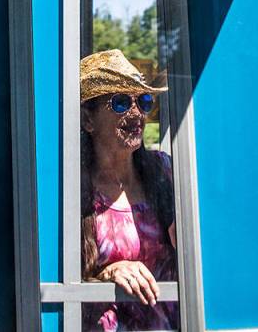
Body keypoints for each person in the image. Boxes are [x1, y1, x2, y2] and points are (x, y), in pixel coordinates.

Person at [79, 49, 178, 331]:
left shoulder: (163, 172)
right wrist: (107, 272)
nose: (136, 113)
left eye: (143, 101)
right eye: (121, 102)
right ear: (88, 120)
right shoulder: (74, 190)